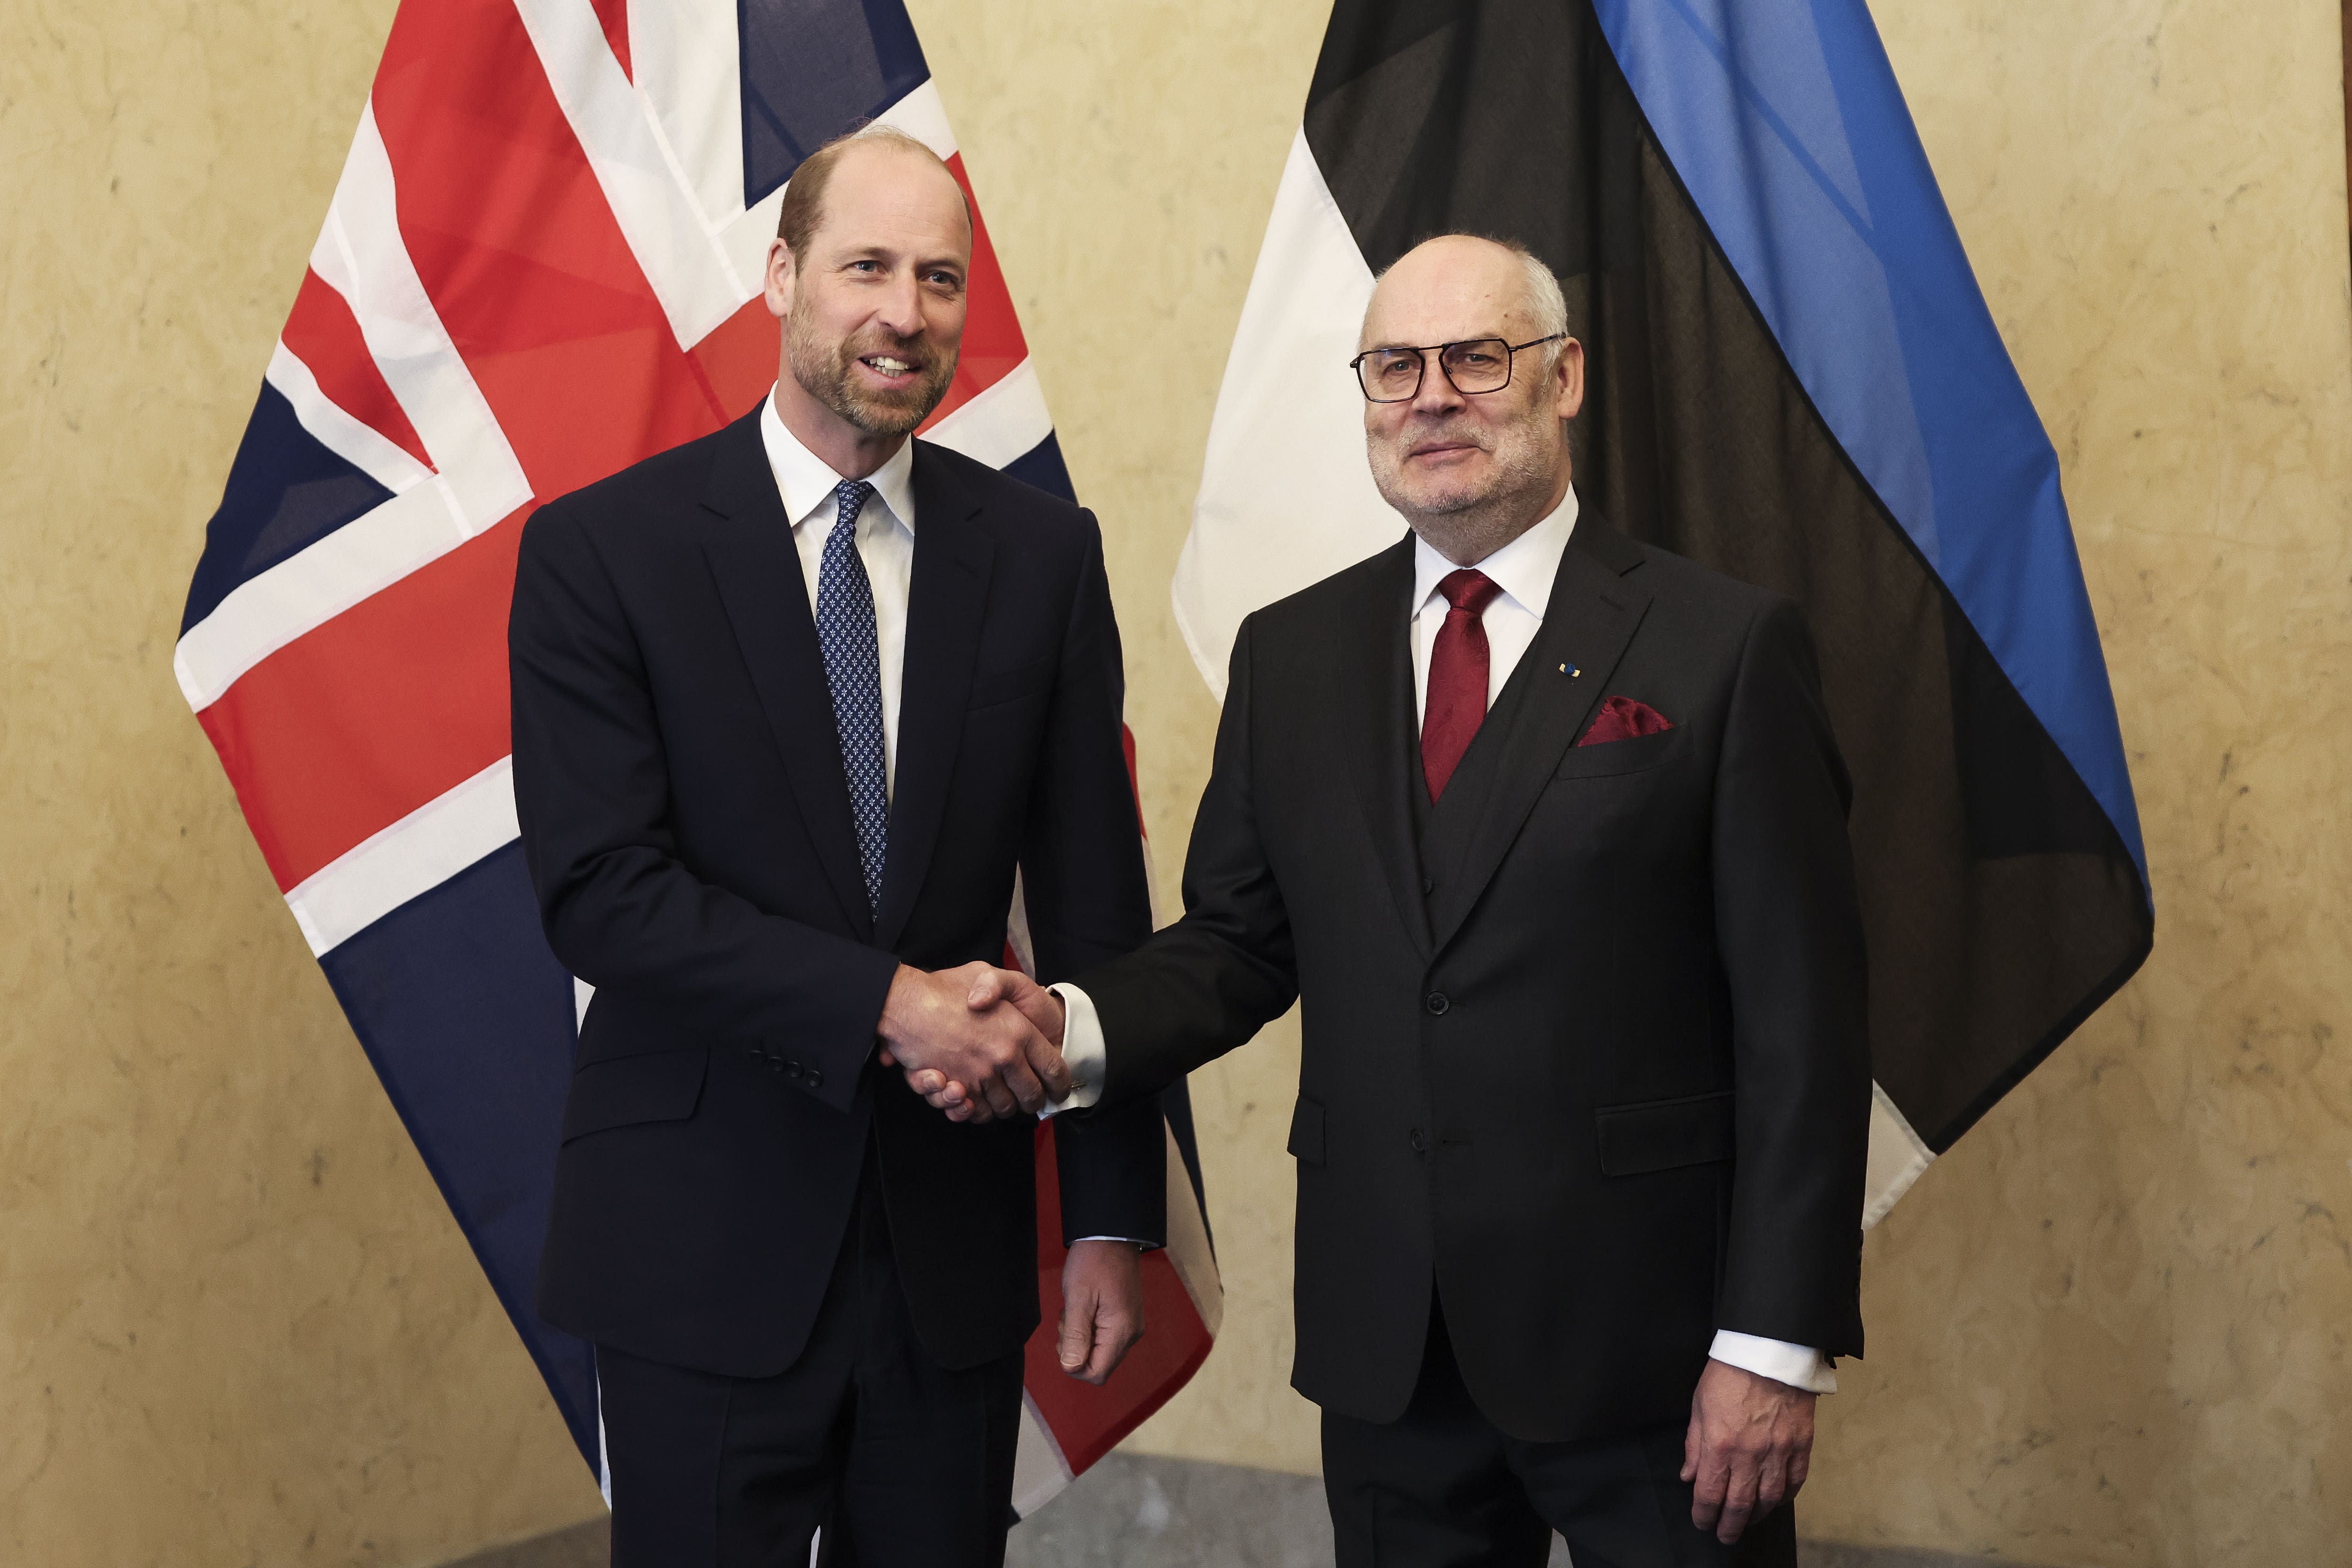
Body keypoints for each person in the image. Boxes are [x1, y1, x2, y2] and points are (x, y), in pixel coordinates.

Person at [919, 234, 1871, 1566]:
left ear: (1564, 377)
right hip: (1389, 1351)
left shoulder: (1725, 645)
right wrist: (1057, 1026)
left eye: (1476, 357)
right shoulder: (1292, 654)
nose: (1431, 396)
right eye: (1394, 365)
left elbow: (1804, 1027)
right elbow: (1238, 944)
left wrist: (1771, 1342)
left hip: (1654, 1359)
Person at [508, 125, 1165, 1567]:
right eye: (866, 266)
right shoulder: (601, 553)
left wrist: (1114, 1213)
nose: (905, 311)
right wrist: (888, 1002)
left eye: (940, 279)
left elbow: (1092, 907)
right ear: (782, 278)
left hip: (951, 1248)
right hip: (698, 1244)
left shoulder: (1043, 558)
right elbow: (599, 892)